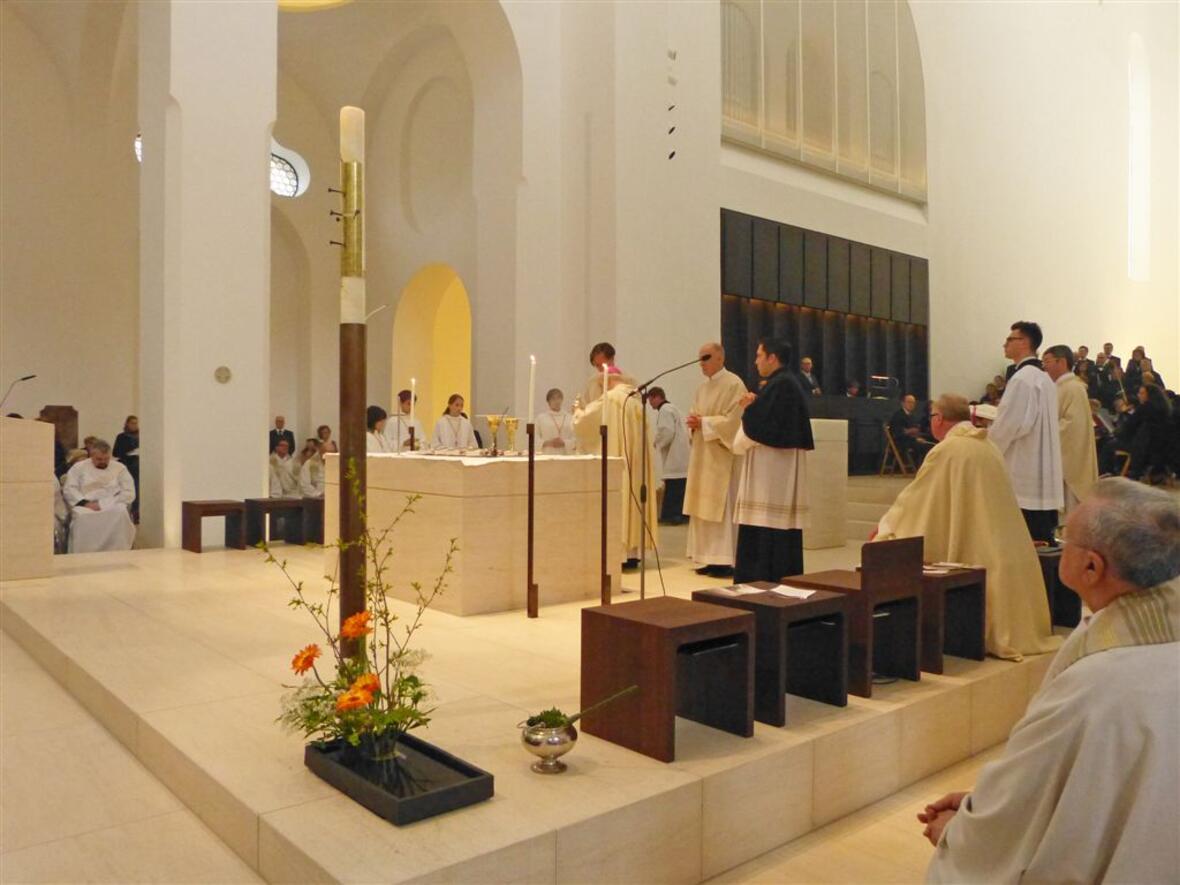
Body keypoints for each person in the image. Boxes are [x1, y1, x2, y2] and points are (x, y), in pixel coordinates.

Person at [921, 478, 1179, 884]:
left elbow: (1019, 807)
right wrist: (981, 801)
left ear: (1091, 567)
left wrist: (962, 829)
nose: (1059, 543)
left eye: (1064, 538)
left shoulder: (1092, 687)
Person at [875, 394, 1060, 659]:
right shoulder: (988, 446)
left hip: (974, 547)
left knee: (887, 547)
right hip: (1001, 545)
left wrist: (889, 525)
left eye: (932, 416)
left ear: (939, 419)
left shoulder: (947, 450)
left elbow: (918, 499)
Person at [732, 338, 813, 583]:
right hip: (775, 471)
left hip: (770, 476)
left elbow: (758, 428)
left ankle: (759, 581)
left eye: (759, 355)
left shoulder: (781, 384)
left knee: (765, 534)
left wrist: (748, 407)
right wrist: (756, 404)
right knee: (776, 534)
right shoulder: (786, 383)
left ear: (772, 357)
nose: (755, 361)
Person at [573, 366, 658, 570]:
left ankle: (619, 553)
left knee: (618, 500)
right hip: (636, 464)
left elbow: (586, 422)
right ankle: (633, 554)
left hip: (617, 460)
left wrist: (577, 410)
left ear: (608, 381)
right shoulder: (636, 400)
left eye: (601, 383)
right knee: (632, 500)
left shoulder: (610, 399)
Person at [987, 321, 1063, 543]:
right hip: (1040, 467)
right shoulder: (1044, 378)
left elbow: (1011, 424)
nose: (1005, 344)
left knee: (1024, 538)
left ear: (1025, 342)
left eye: (1010, 339)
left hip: (1024, 466)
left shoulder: (1022, 379)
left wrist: (988, 443)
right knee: (1042, 537)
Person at [684, 342, 748, 578]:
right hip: (703, 456)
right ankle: (707, 558)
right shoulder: (702, 388)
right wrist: (693, 424)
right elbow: (695, 415)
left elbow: (734, 421)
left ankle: (723, 559)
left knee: (722, 507)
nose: (701, 363)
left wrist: (704, 423)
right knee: (702, 507)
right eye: (700, 358)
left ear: (721, 358)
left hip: (722, 457)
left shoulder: (734, 384)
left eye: (706, 358)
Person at [1042, 345, 1098, 510]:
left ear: (1062, 362)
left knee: (1070, 509)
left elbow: (1073, 426)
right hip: (1059, 453)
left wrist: (1043, 433)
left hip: (1070, 458)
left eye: (1047, 361)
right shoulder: (1059, 387)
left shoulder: (1073, 388)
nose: (1044, 366)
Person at [61, 439, 136, 552]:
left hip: (113, 503)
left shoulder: (120, 468)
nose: (103, 462)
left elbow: (128, 491)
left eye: (106, 459)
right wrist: (85, 503)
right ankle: (84, 551)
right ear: (91, 456)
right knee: (81, 517)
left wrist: (106, 503)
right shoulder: (79, 468)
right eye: (99, 459)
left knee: (121, 513)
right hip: (86, 504)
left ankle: (118, 550)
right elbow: (70, 488)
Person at [648, 387, 689, 526]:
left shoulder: (665, 410)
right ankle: (680, 515)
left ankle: (673, 516)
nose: (650, 404)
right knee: (679, 487)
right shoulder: (674, 408)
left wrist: (656, 442)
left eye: (650, 400)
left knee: (674, 488)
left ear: (657, 397)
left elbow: (667, 431)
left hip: (675, 455)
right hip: (682, 454)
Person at [1123, 383, 1173, 481]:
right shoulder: (1166, 408)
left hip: (1146, 447)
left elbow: (1129, 426)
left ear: (1150, 395)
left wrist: (1124, 413)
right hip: (1162, 446)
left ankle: (1107, 474)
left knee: (1109, 445)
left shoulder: (1145, 407)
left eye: (1142, 393)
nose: (1138, 395)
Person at [888, 394, 935, 467]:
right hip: (901, 441)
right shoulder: (898, 415)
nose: (911, 404)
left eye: (913, 402)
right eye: (909, 402)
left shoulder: (911, 416)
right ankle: (922, 468)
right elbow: (897, 433)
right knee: (924, 446)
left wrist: (918, 435)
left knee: (930, 442)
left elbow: (915, 430)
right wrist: (914, 437)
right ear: (903, 403)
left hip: (911, 439)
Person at [113, 414, 140, 520]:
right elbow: (116, 452)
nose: (135, 425)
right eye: (132, 423)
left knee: (138, 489)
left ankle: (137, 512)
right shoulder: (122, 437)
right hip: (128, 464)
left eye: (136, 423)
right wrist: (130, 449)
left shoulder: (142, 435)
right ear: (127, 424)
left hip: (139, 465)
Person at [535, 388, 575, 454]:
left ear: (562, 400)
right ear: (548, 402)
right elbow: (535, 438)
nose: (556, 401)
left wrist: (564, 442)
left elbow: (576, 438)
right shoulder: (541, 418)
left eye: (559, 398)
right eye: (553, 399)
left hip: (565, 454)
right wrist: (549, 443)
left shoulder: (570, 418)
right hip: (547, 454)